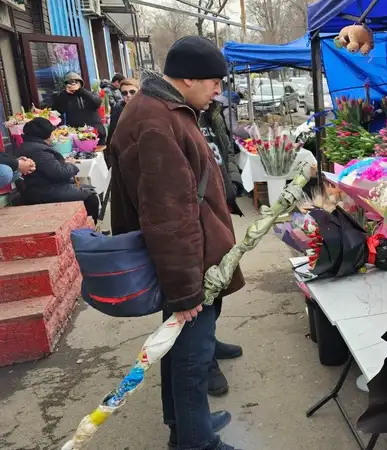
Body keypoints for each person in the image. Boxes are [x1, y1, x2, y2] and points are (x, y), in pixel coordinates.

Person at [108, 36, 245, 450]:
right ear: (188, 77)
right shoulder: (154, 120)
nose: (219, 90)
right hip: (188, 264)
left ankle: (185, 427)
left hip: (190, 258)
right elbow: (168, 217)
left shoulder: (163, 108)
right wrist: (186, 291)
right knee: (191, 358)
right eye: (214, 82)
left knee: (177, 349)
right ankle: (196, 442)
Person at [15, 118, 100, 222]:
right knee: (90, 198)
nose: (53, 135)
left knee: (88, 189)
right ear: (45, 134)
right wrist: (70, 164)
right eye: (52, 133)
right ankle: (90, 232)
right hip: (45, 190)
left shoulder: (32, 146)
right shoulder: (38, 150)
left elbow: (51, 167)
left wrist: (64, 163)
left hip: (47, 187)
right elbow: (59, 172)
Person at [199, 98, 244, 219]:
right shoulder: (178, 119)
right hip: (201, 208)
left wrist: (233, 184)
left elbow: (227, 151)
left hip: (223, 199)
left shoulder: (214, 115)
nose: (218, 90)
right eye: (214, 81)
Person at [51, 72, 107, 145]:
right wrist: (66, 94)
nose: (73, 85)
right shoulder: (64, 97)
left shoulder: (89, 94)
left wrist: (80, 91)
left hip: (96, 134)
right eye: (69, 83)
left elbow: (97, 103)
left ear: (81, 83)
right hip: (77, 137)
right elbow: (57, 111)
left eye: (76, 82)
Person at [107, 78, 138, 146]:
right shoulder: (118, 109)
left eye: (132, 92)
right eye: (124, 93)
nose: (128, 95)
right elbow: (112, 133)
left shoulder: (148, 108)